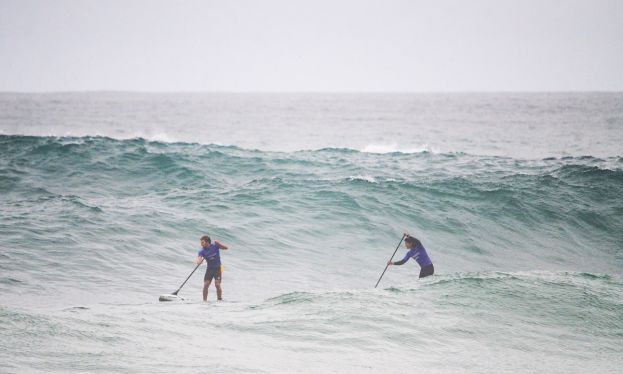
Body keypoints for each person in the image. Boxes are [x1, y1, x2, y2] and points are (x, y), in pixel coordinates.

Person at [195, 235, 229, 301]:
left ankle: (219, 299)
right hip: (209, 269)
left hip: (218, 268)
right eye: (201, 242)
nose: (201, 244)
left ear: (207, 242)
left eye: (203, 242)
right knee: (206, 285)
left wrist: (219, 244)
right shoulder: (202, 251)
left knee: (217, 284)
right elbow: (199, 258)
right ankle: (204, 301)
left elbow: (226, 248)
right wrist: (198, 261)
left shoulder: (215, 246)